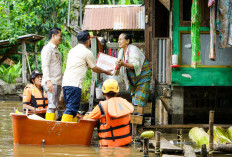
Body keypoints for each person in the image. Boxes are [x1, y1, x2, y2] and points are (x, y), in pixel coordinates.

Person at [61, 30, 112, 122]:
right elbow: (94, 68)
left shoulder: (73, 50)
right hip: (74, 84)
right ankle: (63, 131)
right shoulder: (86, 52)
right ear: (88, 39)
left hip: (66, 83)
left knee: (72, 109)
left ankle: (70, 130)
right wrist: (107, 71)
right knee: (71, 109)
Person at [84, 79, 134, 147]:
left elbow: (86, 120)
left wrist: (87, 114)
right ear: (117, 92)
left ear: (103, 93)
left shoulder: (101, 107)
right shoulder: (124, 103)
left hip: (108, 147)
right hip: (126, 145)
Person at [116, 33, 152, 108]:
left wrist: (123, 64)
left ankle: (139, 117)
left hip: (143, 77)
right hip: (134, 80)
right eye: (118, 39)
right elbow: (119, 68)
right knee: (134, 100)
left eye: (120, 39)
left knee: (140, 102)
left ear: (127, 41)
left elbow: (135, 65)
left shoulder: (133, 49)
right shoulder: (121, 52)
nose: (118, 41)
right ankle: (137, 118)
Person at [41, 27, 63, 121]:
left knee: (55, 105)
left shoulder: (56, 49)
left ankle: (52, 125)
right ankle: (48, 127)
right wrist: (48, 81)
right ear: (53, 35)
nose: (61, 38)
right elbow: (45, 66)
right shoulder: (47, 49)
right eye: (60, 36)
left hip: (57, 82)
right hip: (51, 82)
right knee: (52, 105)